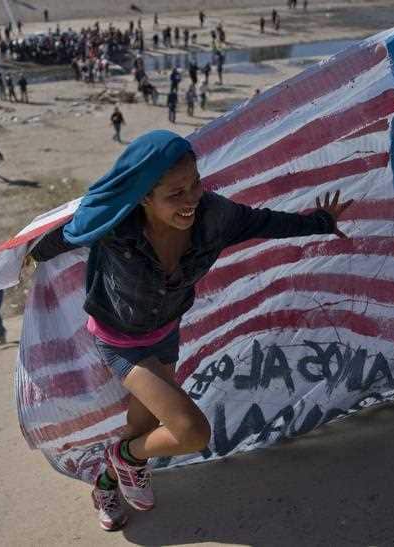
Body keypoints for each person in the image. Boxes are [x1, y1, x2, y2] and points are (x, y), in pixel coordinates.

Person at [27, 130, 352, 531]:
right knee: (191, 431)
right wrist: (24, 256)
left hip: (165, 331)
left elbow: (264, 222)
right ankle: (124, 460)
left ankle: (107, 484)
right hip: (119, 341)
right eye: (175, 193)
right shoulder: (114, 224)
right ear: (144, 195)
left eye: (195, 184)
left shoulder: (215, 217)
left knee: (141, 428)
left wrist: (319, 223)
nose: (191, 199)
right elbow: (62, 237)